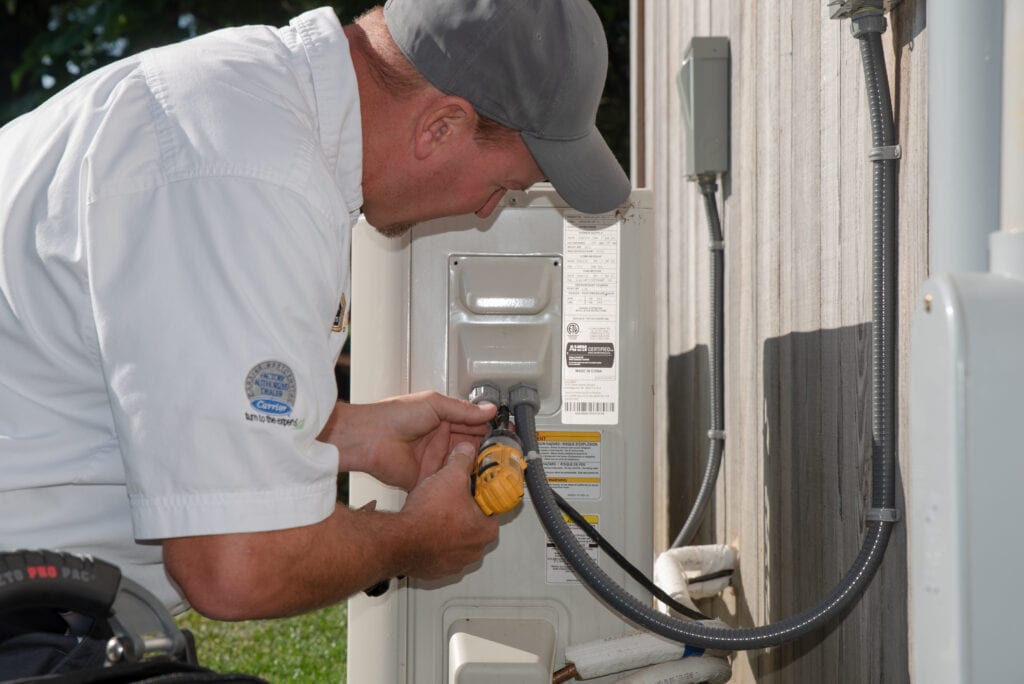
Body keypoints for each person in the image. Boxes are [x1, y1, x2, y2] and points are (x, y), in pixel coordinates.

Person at [0, 0, 629, 654]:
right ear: (441, 126)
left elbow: (134, 395)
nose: (486, 210)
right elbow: (235, 567)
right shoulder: (249, 180)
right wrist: (415, 542)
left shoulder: (247, 106)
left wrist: (351, 434)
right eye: (503, 184)